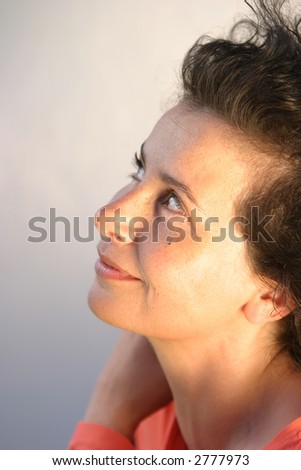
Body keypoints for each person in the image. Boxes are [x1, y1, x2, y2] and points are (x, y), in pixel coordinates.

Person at [69, 0, 301, 450]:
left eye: (173, 203)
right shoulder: (153, 423)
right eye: (140, 169)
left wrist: (105, 417)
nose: (108, 217)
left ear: (275, 292)